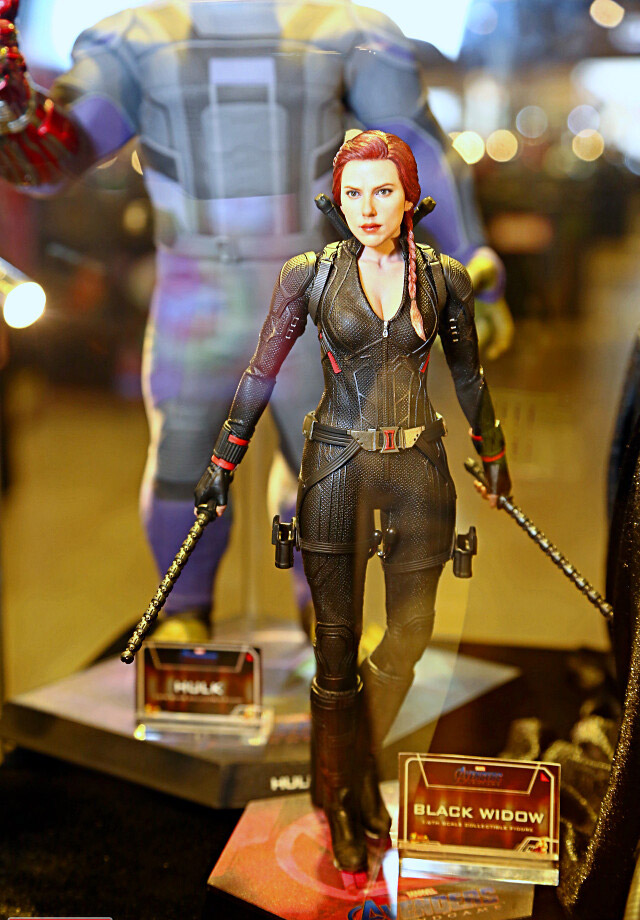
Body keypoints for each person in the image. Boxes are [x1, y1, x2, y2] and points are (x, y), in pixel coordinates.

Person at [0, 0, 510, 641]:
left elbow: (418, 152)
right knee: (184, 463)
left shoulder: (341, 31)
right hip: (201, 292)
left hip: (302, 294)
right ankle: (186, 616)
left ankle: (324, 622)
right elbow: (54, 159)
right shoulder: (141, 39)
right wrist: (13, 103)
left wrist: (472, 265)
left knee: (326, 472)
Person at [194, 130, 511, 874]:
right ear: (336, 202)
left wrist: (494, 456)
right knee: (334, 650)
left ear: (409, 199)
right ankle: (338, 796)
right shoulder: (309, 275)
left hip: (419, 467)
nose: (367, 208)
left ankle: (357, 770)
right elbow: (260, 371)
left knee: (410, 635)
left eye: (383, 191)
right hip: (335, 465)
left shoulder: (445, 280)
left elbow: (469, 377)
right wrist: (223, 462)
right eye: (353, 194)